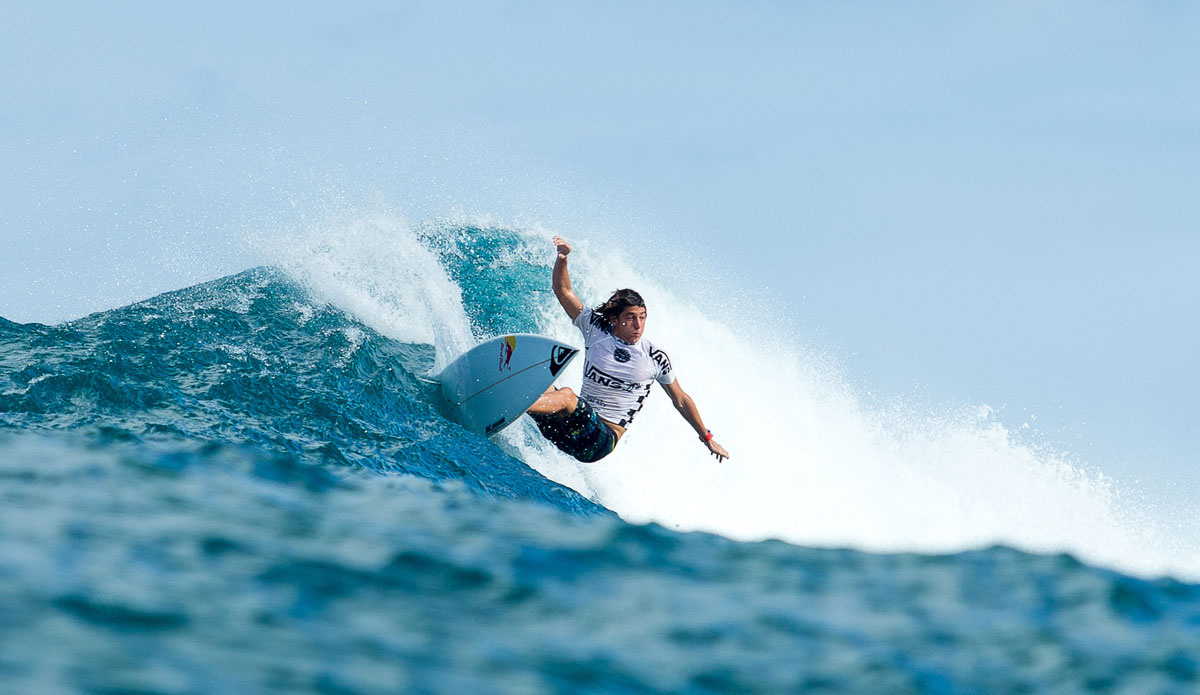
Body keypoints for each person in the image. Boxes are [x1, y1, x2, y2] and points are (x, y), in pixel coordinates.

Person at [527, 236, 731, 463]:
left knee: (565, 396)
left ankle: (520, 406)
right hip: (567, 431)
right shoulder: (596, 328)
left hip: (599, 441)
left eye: (642, 318)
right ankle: (502, 402)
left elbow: (681, 399)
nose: (638, 325)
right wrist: (562, 258)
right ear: (614, 319)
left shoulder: (655, 358)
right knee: (538, 374)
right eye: (631, 318)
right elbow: (563, 291)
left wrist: (707, 437)